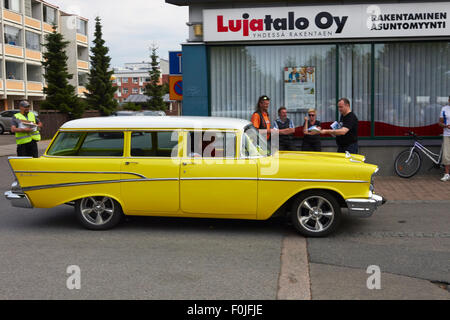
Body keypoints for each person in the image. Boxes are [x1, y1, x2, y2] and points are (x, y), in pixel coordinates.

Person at [439, 96, 450, 181]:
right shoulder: (444, 109)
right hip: (447, 134)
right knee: (446, 155)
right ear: (449, 100)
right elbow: (440, 122)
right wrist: (445, 126)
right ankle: (446, 174)